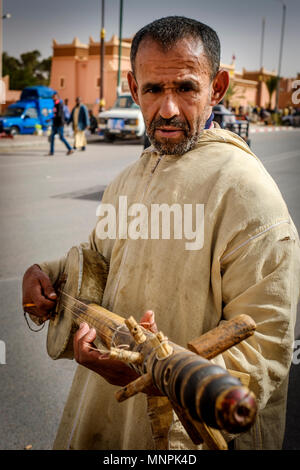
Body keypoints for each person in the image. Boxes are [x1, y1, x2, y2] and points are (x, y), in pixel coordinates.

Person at [22, 16, 300, 450]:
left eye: (186, 88)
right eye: (153, 90)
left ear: (218, 88)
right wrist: (46, 273)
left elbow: (266, 347)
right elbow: (100, 258)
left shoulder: (248, 194)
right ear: (135, 90)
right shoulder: (128, 180)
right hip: (108, 413)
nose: (167, 109)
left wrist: (164, 377)